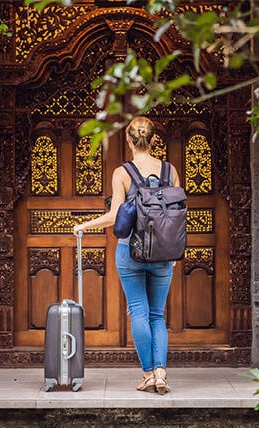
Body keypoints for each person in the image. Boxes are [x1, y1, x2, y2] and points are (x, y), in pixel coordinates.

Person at [73, 116, 178, 395]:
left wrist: (83, 225)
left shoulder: (122, 173)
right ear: (154, 140)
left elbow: (113, 216)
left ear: (128, 140)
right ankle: (161, 373)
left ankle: (147, 374)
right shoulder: (170, 171)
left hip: (130, 251)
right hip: (164, 253)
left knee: (139, 313)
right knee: (157, 315)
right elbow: (177, 213)